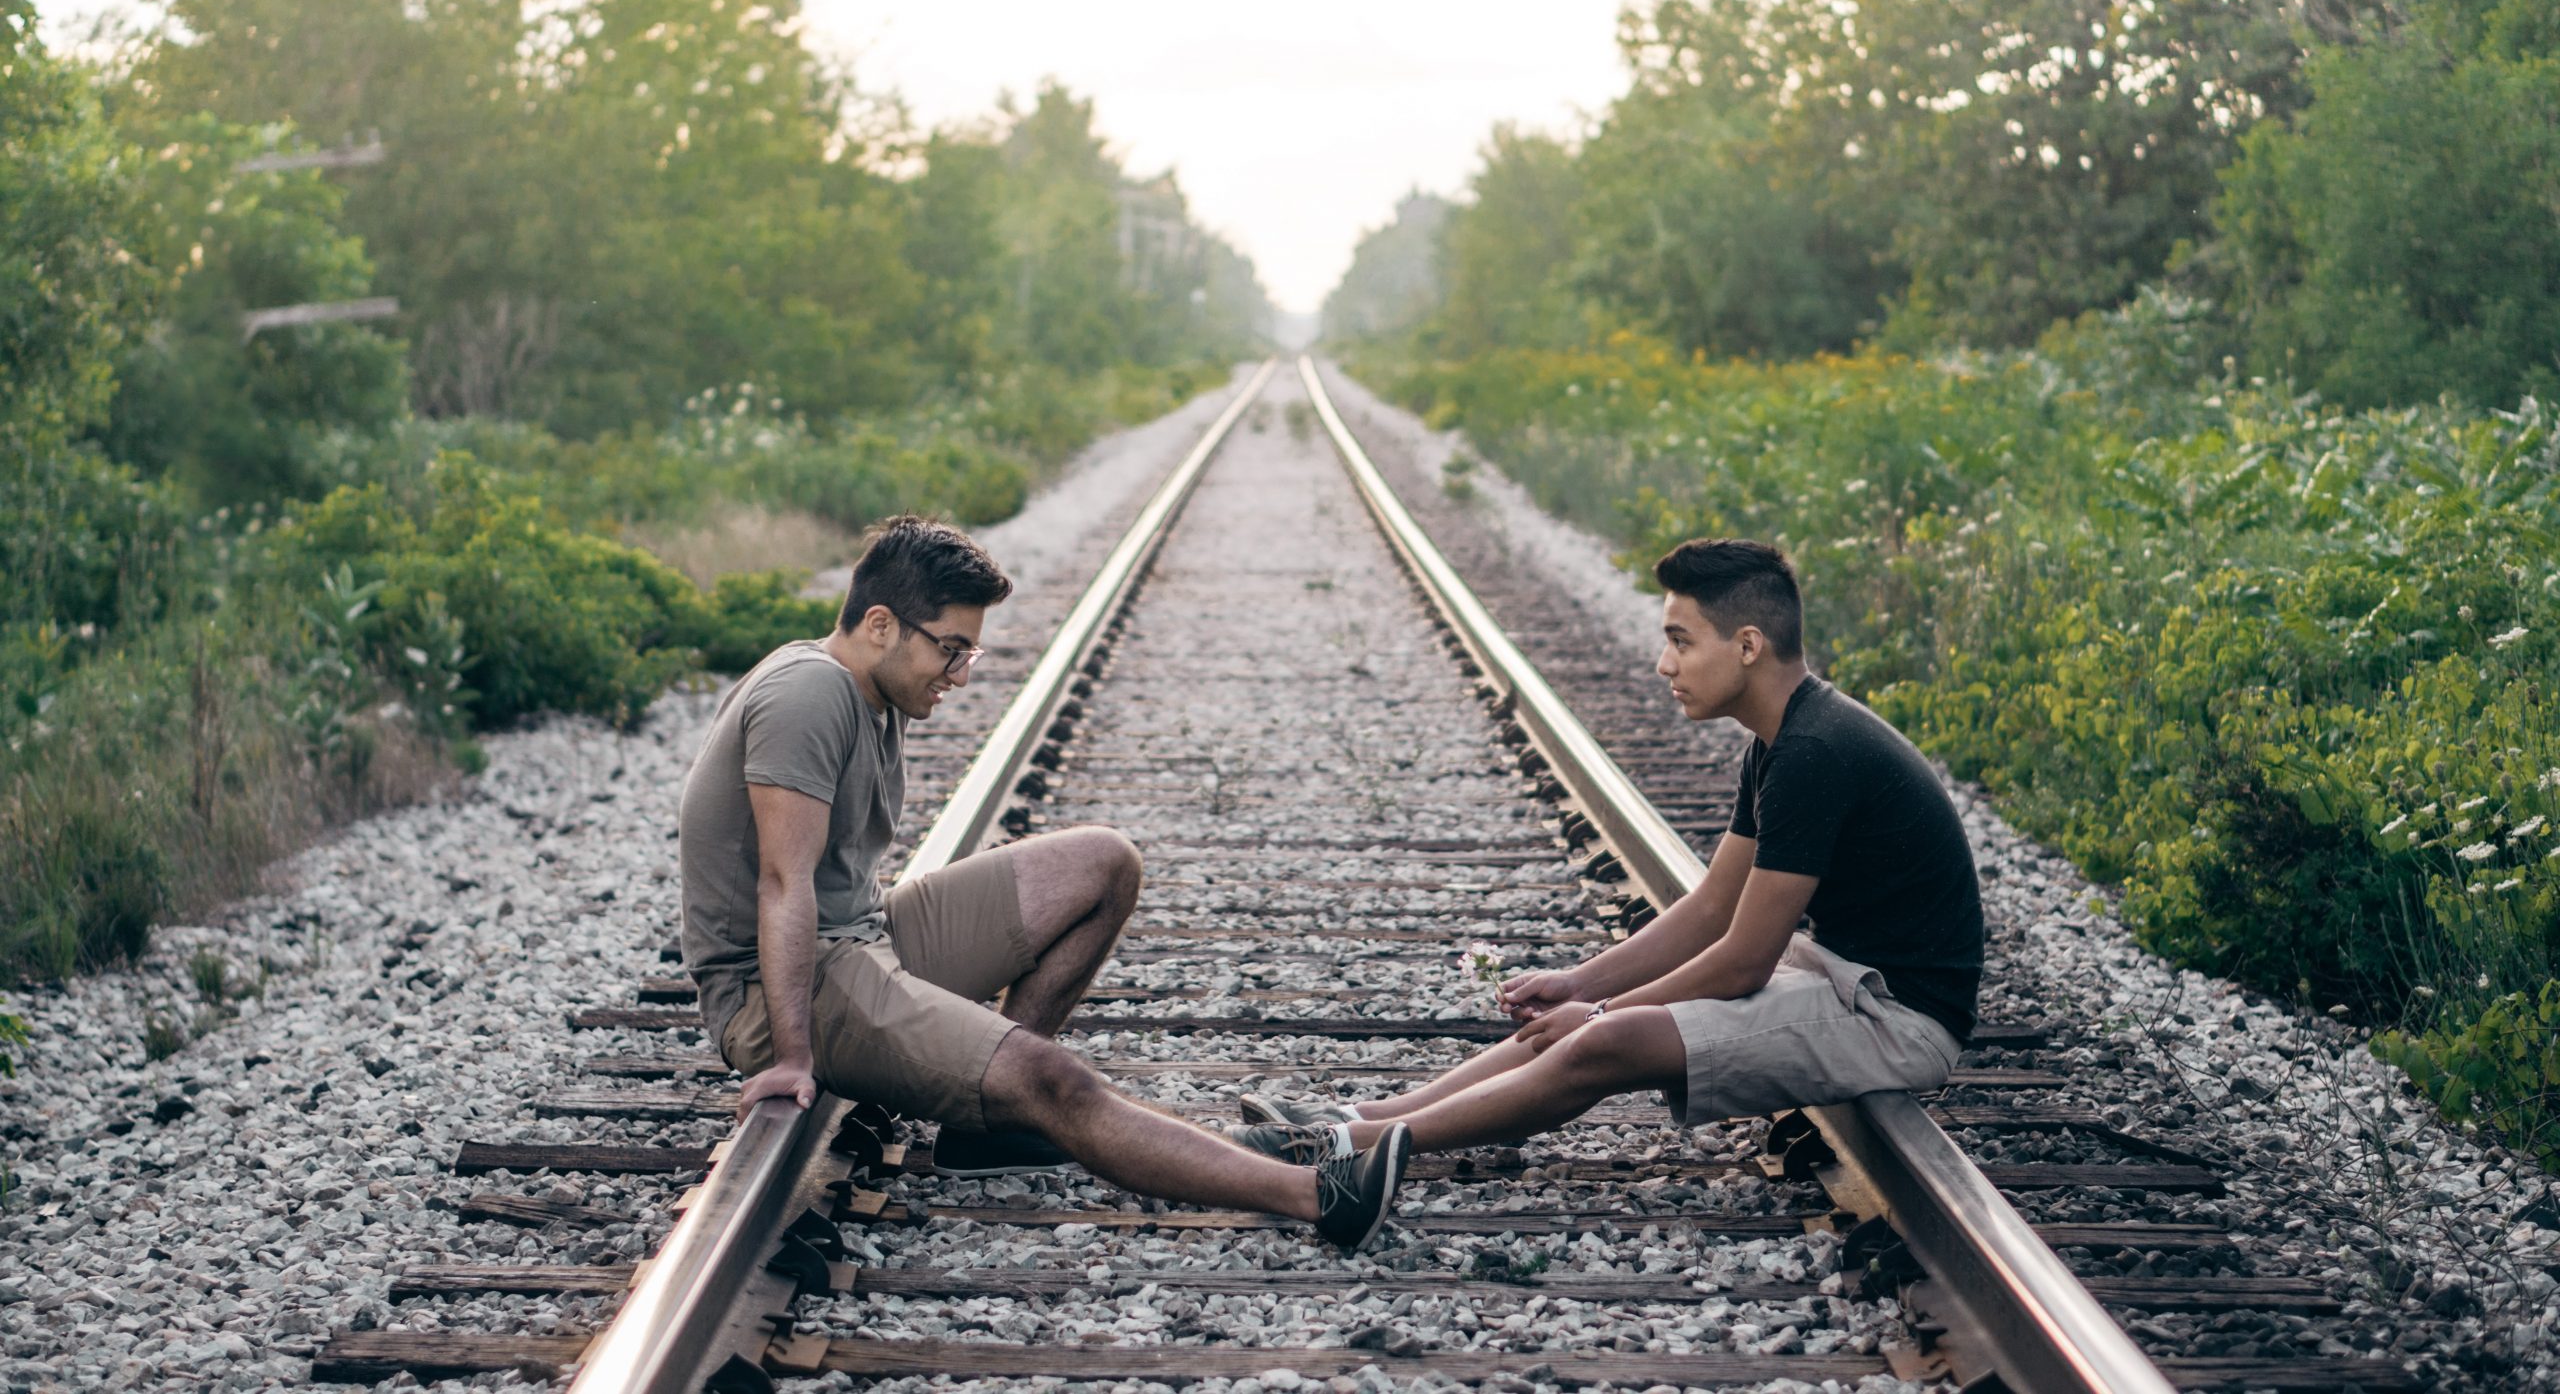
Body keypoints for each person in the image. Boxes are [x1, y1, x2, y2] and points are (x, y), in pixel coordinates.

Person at [679, 514, 1410, 1248]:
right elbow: (783, 883)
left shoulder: (873, 692)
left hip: (863, 937)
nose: (960, 674)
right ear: (879, 624)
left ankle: (986, 1124)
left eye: (971, 651)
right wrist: (794, 1056)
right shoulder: (809, 693)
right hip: (776, 989)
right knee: (1051, 1078)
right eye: (950, 648)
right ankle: (1318, 1196)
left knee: (1104, 863)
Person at [1228, 538, 1984, 1163]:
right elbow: (1714, 907)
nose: (1665, 665)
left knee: (1609, 1038)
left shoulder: (1815, 752)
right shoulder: (1786, 739)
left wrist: (1599, 1012)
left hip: (1899, 1017)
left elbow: (1745, 959)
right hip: (1845, 976)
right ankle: (1364, 1113)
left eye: (1681, 641)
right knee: (1592, 1020)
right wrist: (1577, 982)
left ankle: (1355, 1144)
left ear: (1748, 646)